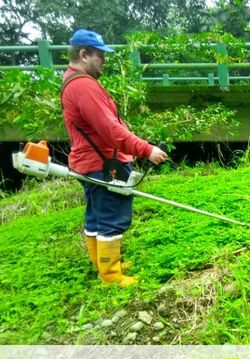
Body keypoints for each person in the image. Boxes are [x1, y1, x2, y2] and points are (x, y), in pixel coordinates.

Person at [61, 29, 167, 287]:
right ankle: (111, 276)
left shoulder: (72, 80)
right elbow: (110, 129)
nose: (104, 62)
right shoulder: (84, 86)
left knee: (96, 216)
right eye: (100, 56)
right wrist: (146, 149)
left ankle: (104, 264)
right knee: (112, 217)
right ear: (83, 54)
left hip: (89, 162)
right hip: (102, 164)